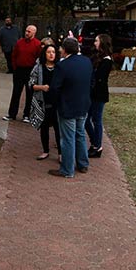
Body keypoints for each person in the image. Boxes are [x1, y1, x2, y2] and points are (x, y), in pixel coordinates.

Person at [49, 38, 92, 178]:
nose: (60, 51)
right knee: (80, 134)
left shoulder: (62, 66)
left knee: (67, 138)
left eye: (61, 48)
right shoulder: (87, 62)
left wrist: (54, 102)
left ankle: (67, 169)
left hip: (67, 106)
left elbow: (55, 88)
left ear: (65, 50)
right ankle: (83, 164)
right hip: (83, 104)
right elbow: (91, 82)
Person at [2, 24, 41, 122]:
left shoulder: (37, 44)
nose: (26, 33)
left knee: (29, 93)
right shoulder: (19, 42)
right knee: (16, 92)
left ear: (34, 33)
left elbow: (38, 58)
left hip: (30, 71)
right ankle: (12, 114)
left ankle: (27, 115)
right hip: (19, 70)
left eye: (29, 31)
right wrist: (15, 67)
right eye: (26, 31)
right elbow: (14, 55)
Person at [29, 43, 61, 161]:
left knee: (59, 128)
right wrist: (41, 87)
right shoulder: (38, 67)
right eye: (49, 52)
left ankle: (60, 153)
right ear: (44, 54)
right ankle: (45, 150)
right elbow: (31, 84)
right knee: (44, 127)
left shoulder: (59, 67)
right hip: (42, 101)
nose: (51, 54)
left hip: (57, 103)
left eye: (53, 52)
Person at [85, 34, 113, 158]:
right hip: (92, 93)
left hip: (99, 95)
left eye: (96, 40)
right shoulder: (96, 57)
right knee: (86, 119)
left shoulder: (106, 60)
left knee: (96, 120)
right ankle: (94, 141)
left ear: (102, 42)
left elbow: (99, 78)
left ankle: (97, 146)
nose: (94, 42)